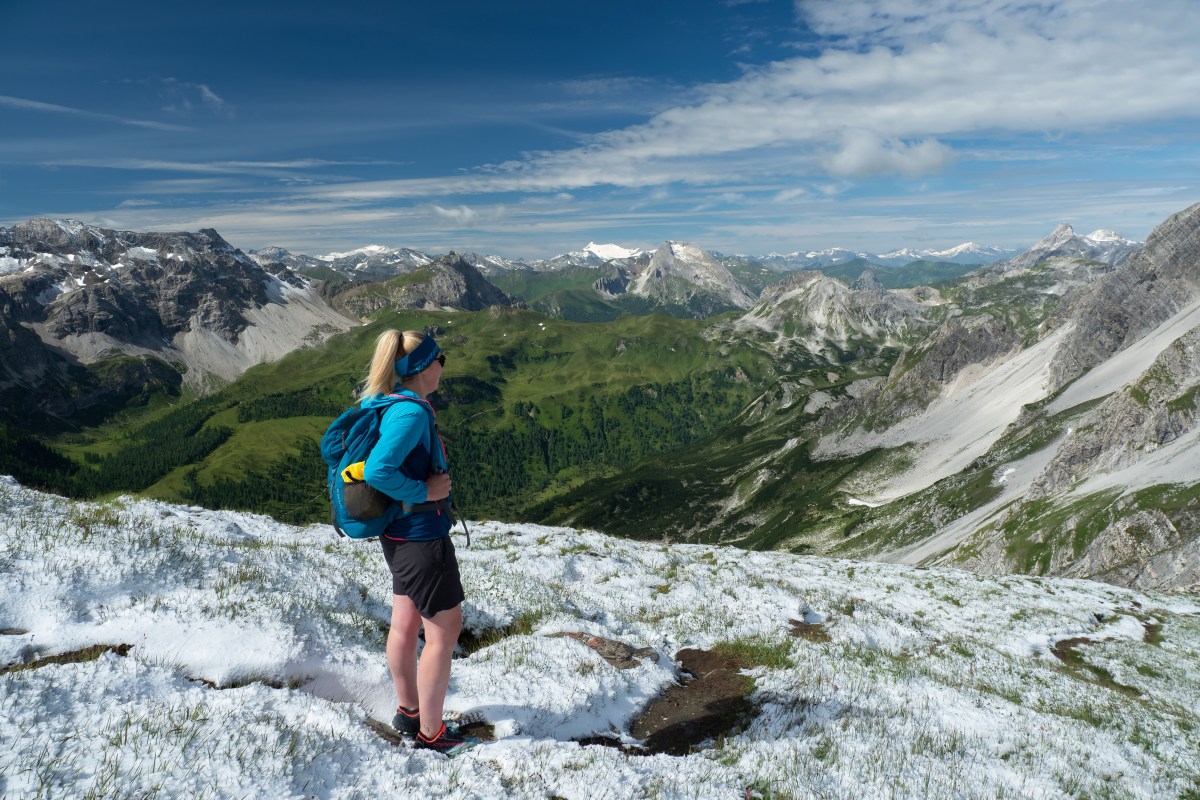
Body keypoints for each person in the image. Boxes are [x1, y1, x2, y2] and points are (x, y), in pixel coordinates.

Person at [359, 329, 480, 757]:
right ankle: (432, 733)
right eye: (439, 358)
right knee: (444, 631)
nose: (443, 365)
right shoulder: (410, 414)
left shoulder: (388, 403)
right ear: (422, 368)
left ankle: (408, 713)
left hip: (399, 537)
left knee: (405, 625)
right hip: (422, 539)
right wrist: (427, 493)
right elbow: (378, 471)